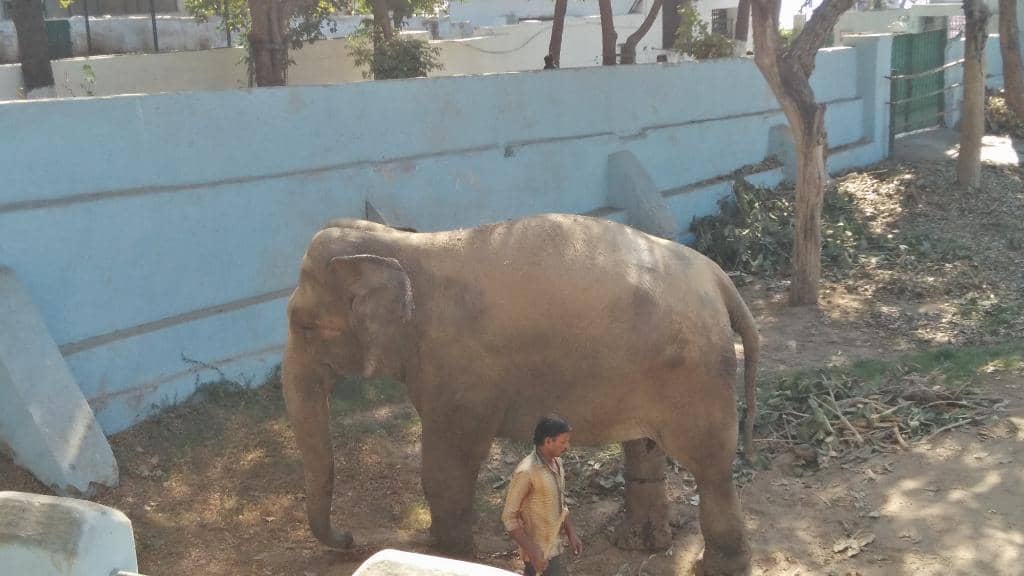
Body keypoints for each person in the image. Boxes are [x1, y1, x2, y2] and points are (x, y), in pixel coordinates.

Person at [502, 414, 582, 575]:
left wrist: (571, 533)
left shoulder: (557, 463)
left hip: (555, 549)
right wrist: (533, 551)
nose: (567, 446)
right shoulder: (526, 471)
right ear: (548, 441)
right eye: (563, 442)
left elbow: (560, 503)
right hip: (539, 555)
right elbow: (509, 518)